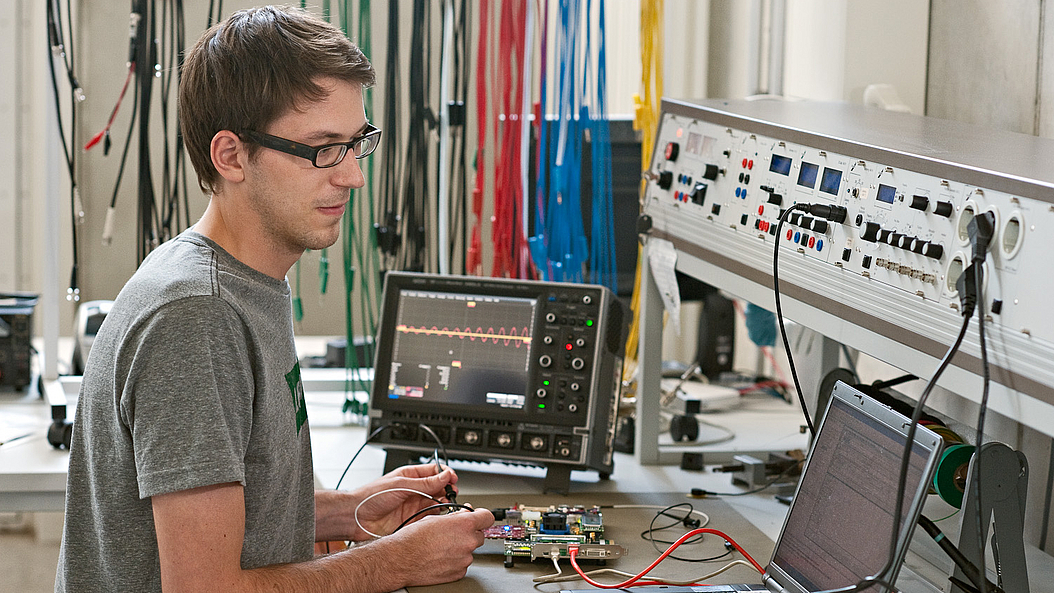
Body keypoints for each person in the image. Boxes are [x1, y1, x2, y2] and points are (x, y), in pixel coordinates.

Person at [55, 6, 493, 592]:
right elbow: (205, 588)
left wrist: (352, 509)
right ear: (231, 156)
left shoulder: (245, 280)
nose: (352, 177)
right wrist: (396, 562)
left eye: (355, 142)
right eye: (321, 149)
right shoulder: (196, 316)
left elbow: (225, 513)